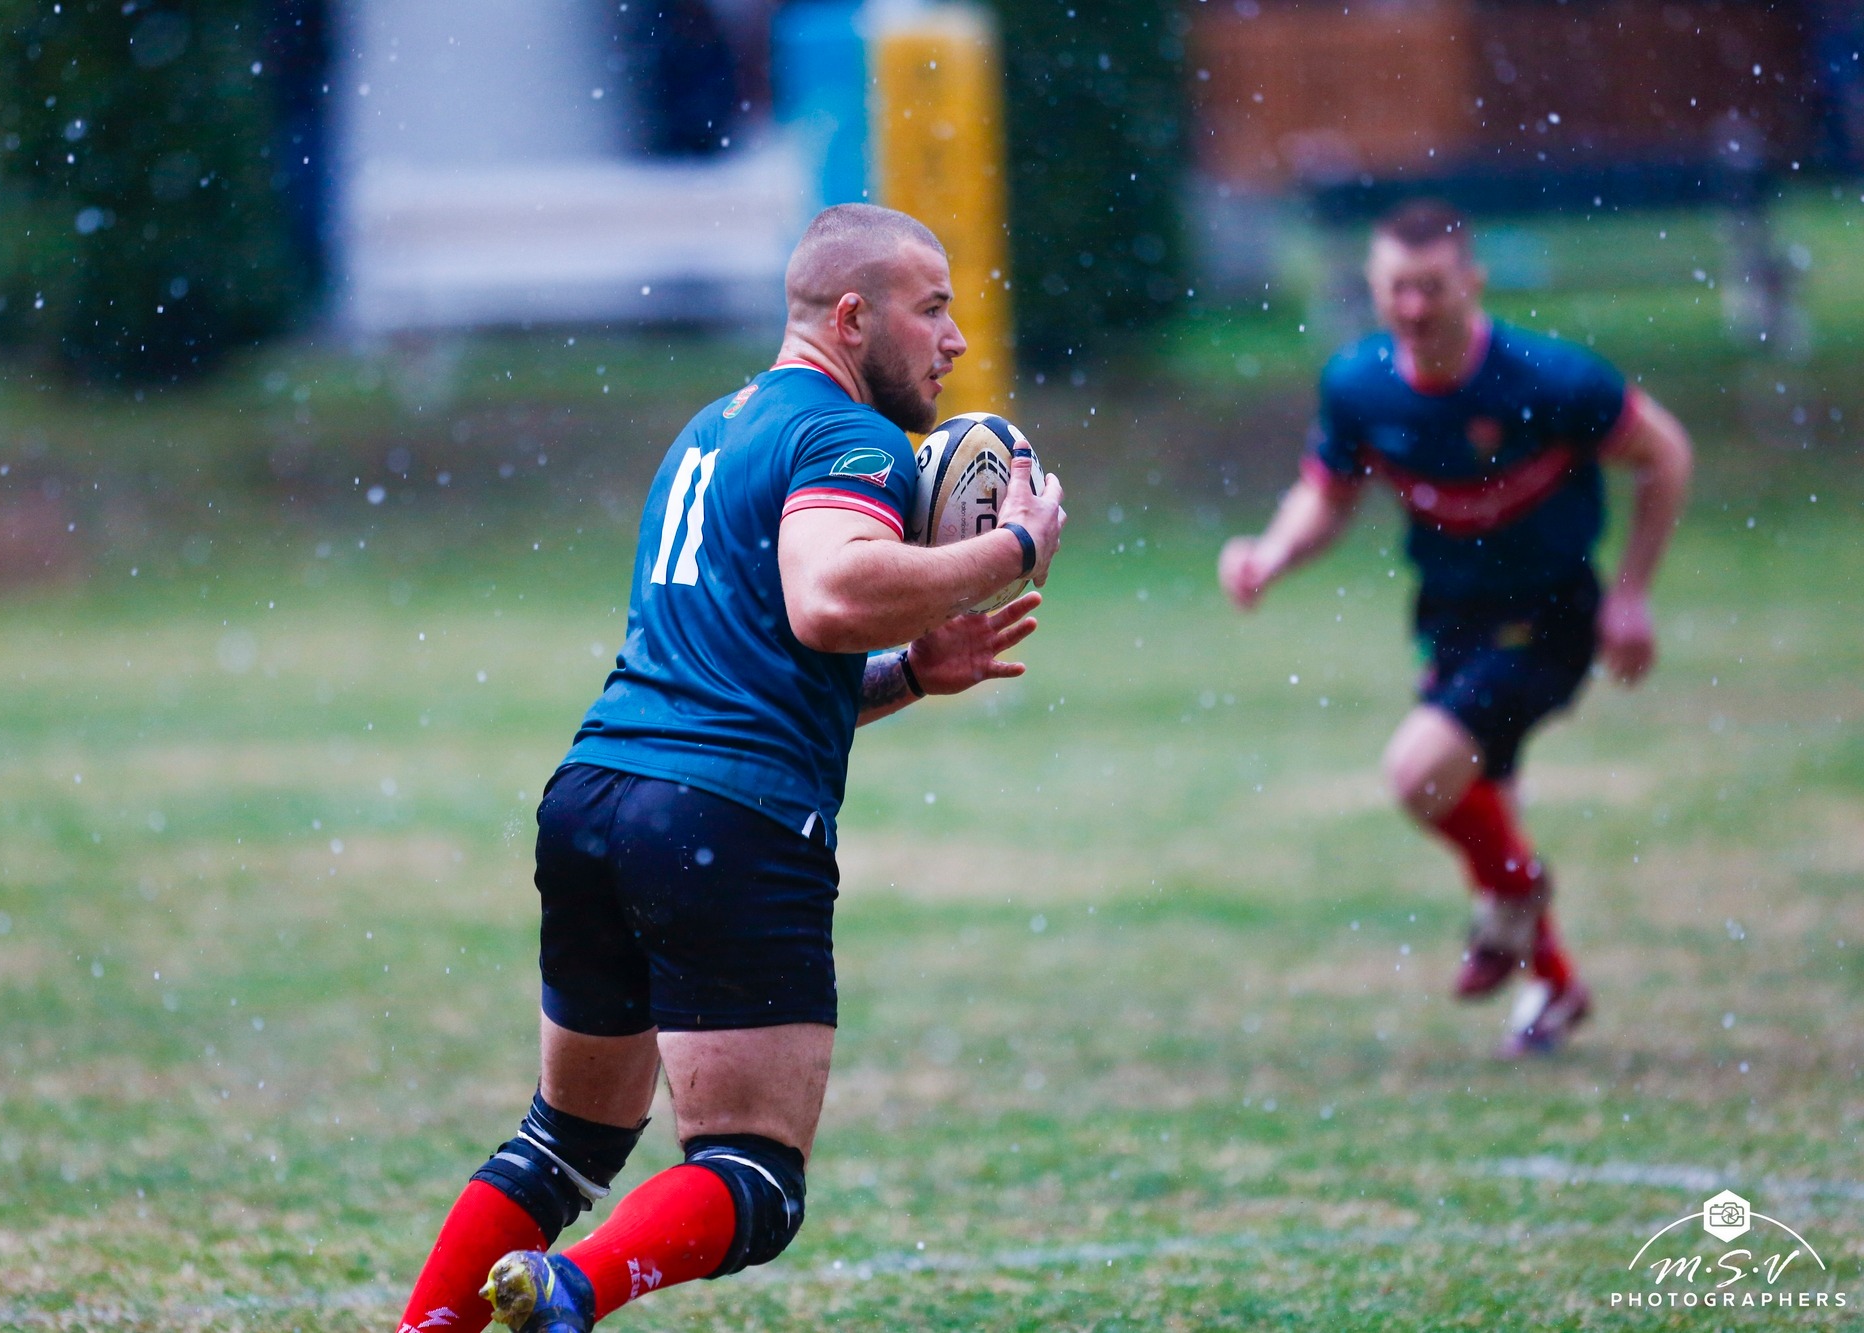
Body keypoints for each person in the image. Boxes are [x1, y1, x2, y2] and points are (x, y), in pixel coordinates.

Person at [394, 203, 1067, 1333]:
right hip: (721, 822)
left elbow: (752, 661)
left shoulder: (713, 428)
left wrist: (911, 671)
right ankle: (572, 1290)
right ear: (851, 319)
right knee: (754, 1174)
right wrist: (1013, 548)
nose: (954, 340)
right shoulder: (851, 437)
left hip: (596, 799)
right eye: (933, 309)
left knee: (564, 1141)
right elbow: (829, 594)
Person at [1218, 199, 1692, 1058]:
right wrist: (1272, 554)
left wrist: (1630, 593)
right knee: (1486, 810)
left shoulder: (1551, 380)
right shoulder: (1358, 386)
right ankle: (1552, 984)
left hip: (1549, 618)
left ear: (1472, 282)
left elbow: (1664, 453)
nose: (1413, 307)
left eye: (1431, 287)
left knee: (1419, 773)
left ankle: (1518, 893)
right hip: (1450, 621)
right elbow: (1327, 496)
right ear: (1372, 287)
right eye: (1396, 288)